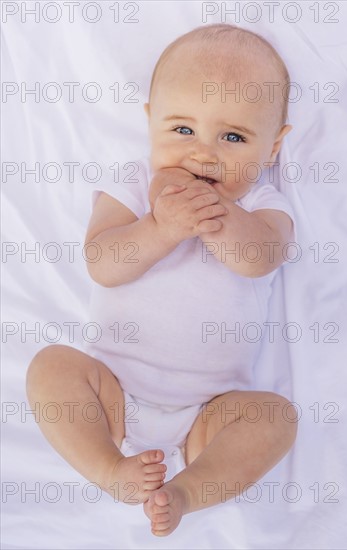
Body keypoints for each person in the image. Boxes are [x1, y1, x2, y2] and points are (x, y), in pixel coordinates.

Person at [26, 23, 298, 537]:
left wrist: (217, 213)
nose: (204, 154)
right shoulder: (131, 183)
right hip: (111, 388)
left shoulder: (262, 204)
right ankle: (110, 468)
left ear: (275, 146)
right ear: (150, 121)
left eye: (234, 137)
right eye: (182, 130)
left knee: (276, 419)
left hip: (210, 412)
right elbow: (102, 262)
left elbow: (263, 257)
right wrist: (159, 228)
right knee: (51, 367)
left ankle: (186, 491)